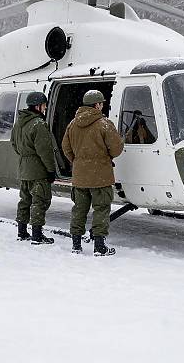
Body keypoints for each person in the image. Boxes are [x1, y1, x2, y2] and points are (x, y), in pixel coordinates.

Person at [62, 90, 124, 256]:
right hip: (101, 176)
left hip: (80, 176)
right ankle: (99, 246)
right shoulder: (104, 124)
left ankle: (76, 244)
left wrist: (77, 161)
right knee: (101, 209)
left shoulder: (72, 124)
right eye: (101, 103)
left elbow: (65, 147)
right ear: (97, 105)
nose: (102, 106)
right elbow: (117, 149)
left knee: (79, 209)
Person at [10, 91, 56, 245]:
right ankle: (37, 235)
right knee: (39, 201)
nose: (45, 108)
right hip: (38, 170)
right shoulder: (39, 124)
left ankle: (22, 232)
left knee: (25, 200)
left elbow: (14, 144)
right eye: (43, 105)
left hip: (23, 168)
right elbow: (45, 151)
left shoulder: (19, 123)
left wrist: (26, 156)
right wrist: (50, 169)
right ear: (38, 106)